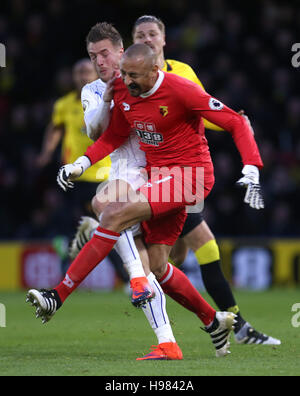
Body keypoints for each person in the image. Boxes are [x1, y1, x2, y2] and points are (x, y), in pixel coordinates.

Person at [27, 42, 264, 359]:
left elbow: (235, 121)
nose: (126, 80)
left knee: (111, 212)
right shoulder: (125, 92)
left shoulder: (181, 90)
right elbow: (114, 135)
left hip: (190, 177)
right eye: (123, 73)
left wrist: (251, 166)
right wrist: (81, 164)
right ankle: (212, 321)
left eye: (133, 75)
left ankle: (58, 294)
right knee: (157, 266)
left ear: (155, 70)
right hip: (158, 177)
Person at [72, 16, 280, 346]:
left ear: (164, 40)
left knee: (182, 254)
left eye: (153, 34)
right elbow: (110, 133)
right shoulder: (126, 81)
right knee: (161, 256)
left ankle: (227, 321)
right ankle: (220, 321)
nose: (148, 38)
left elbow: (203, 110)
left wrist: (235, 127)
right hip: (149, 176)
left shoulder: (180, 75)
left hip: (184, 174)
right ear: (132, 43)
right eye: (141, 34)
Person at [36, 58, 130, 286]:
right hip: (73, 176)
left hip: (99, 175)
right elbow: (55, 129)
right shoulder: (64, 104)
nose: (82, 75)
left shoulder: (104, 100)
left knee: (103, 226)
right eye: (78, 72)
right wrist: (47, 152)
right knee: (69, 226)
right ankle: (64, 278)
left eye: (87, 71)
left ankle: (127, 277)